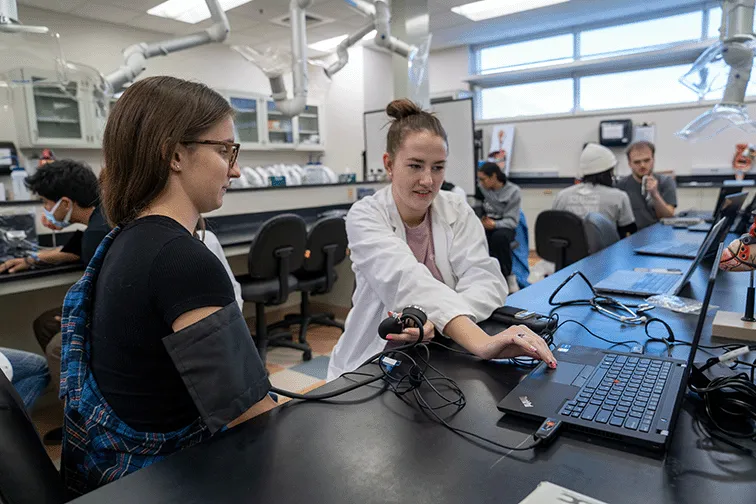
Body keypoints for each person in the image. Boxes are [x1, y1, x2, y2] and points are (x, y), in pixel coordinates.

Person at [59, 76, 274, 497]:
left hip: (113, 479)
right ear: (175, 154)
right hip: (167, 479)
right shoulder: (183, 260)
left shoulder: (124, 240)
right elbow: (252, 416)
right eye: (225, 150)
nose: (236, 168)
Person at [327, 99, 556, 381]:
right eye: (415, 166)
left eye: (437, 168)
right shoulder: (365, 215)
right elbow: (408, 280)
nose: (428, 180)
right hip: (369, 365)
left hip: (439, 354)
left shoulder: (455, 208)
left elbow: (486, 281)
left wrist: (437, 321)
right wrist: (480, 342)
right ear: (389, 164)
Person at [553, 143, 637, 237]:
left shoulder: (562, 196)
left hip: (570, 251)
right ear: (609, 172)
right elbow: (629, 230)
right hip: (607, 251)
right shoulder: (619, 197)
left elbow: (555, 228)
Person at [476, 162, 522, 289]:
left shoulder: (513, 192)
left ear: (494, 177)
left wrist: (495, 224)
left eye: (483, 179)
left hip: (504, 226)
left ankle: (507, 276)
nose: (480, 183)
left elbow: (512, 221)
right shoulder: (482, 189)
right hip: (486, 224)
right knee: (474, 237)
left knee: (499, 238)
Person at [615, 141, 676, 229]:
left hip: (661, 235)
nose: (642, 165)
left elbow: (668, 217)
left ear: (653, 160)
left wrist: (655, 194)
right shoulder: (620, 186)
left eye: (646, 160)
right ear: (629, 164)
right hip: (633, 236)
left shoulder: (666, 182)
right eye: (637, 162)